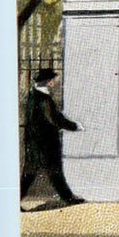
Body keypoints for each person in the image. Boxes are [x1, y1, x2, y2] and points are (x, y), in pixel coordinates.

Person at [21, 68, 86, 208]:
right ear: (49, 82)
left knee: (35, 172)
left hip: (35, 142)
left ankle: (68, 198)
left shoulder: (34, 95)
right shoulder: (43, 98)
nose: (56, 82)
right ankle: (68, 198)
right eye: (54, 79)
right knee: (49, 171)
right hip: (45, 142)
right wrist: (74, 126)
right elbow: (54, 118)